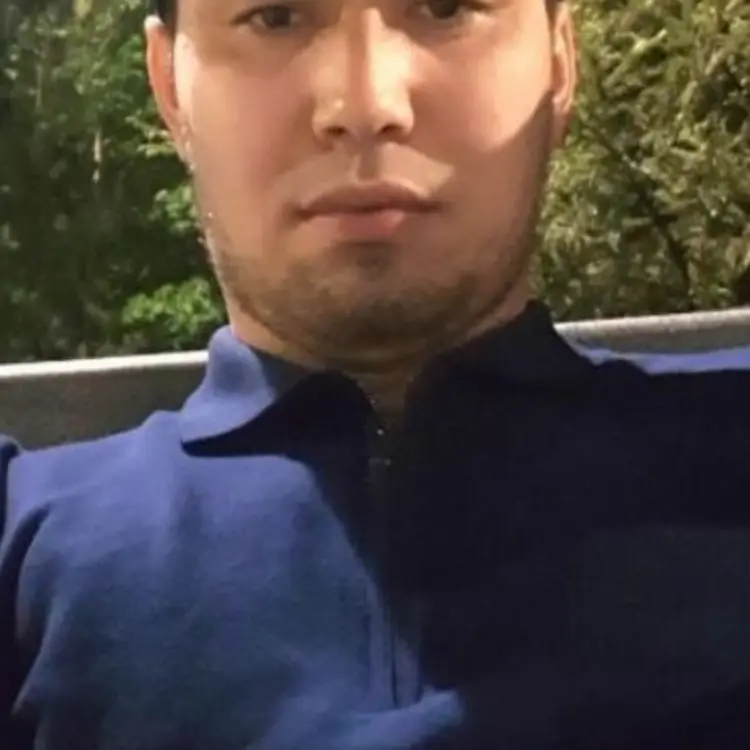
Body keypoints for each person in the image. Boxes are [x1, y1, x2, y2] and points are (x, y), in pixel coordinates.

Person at [2, 0, 750, 747]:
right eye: (276, 17)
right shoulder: (26, 542)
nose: (365, 105)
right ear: (170, 86)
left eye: (446, 8)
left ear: (559, 62)